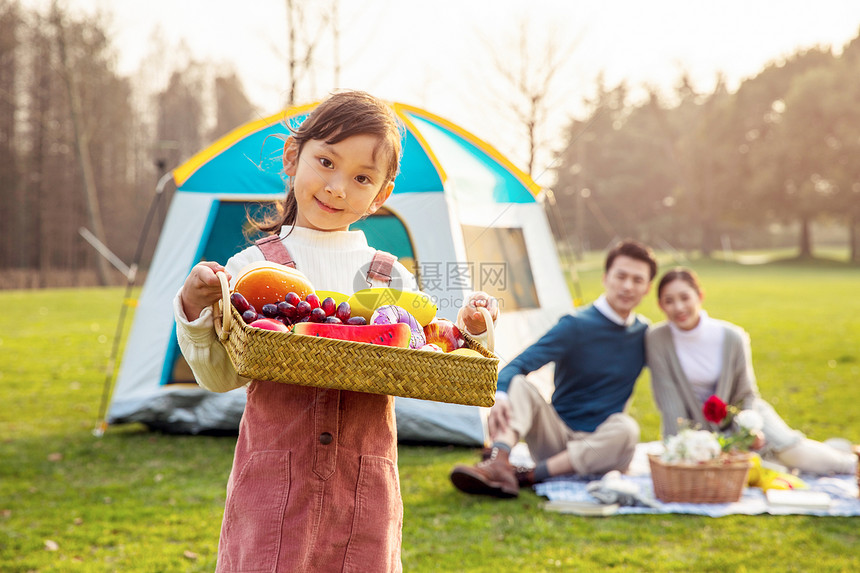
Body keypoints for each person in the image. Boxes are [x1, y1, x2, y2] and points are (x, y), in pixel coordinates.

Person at [174, 91, 499, 572]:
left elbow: (430, 356)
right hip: (274, 483)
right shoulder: (251, 267)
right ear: (293, 158)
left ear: (381, 195)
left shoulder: (390, 278)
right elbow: (221, 377)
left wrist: (473, 331)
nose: (338, 187)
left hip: (364, 485)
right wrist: (194, 306)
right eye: (325, 162)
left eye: (361, 177)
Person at [450, 239, 658, 498]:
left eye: (637, 280)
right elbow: (517, 365)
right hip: (556, 438)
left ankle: (526, 476)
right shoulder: (575, 325)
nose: (628, 286)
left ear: (647, 288)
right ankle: (499, 460)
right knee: (519, 385)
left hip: (605, 446)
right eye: (621, 276)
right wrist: (501, 395)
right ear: (606, 278)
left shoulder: (645, 334)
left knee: (627, 428)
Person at [647, 267, 857, 476]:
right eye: (669, 301)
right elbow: (670, 404)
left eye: (685, 297)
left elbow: (746, 395)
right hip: (696, 434)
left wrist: (748, 433)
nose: (679, 307)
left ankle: (850, 462)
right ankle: (832, 448)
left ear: (700, 296)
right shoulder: (657, 339)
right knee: (770, 470)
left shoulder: (731, 337)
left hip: (745, 418)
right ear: (660, 305)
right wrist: (681, 446)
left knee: (791, 453)